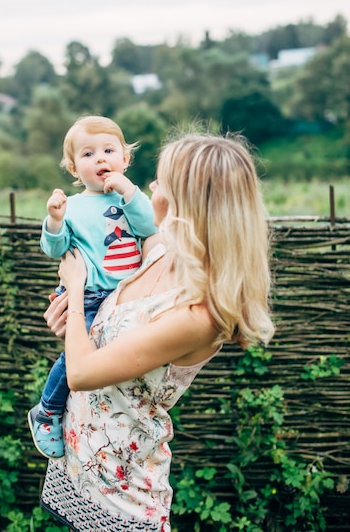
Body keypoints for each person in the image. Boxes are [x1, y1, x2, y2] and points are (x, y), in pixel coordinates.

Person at [39, 132, 275, 532]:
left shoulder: (198, 314)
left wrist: (75, 291)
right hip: (79, 465)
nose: (150, 186)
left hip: (123, 495)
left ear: (189, 200)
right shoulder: (158, 251)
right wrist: (71, 322)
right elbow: (97, 336)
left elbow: (80, 374)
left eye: (161, 182)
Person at [28, 115, 158, 458]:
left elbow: (149, 226)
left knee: (115, 359)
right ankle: (48, 410)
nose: (100, 159)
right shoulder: (73, 207)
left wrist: (128, 189)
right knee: (76, 355)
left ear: (125, 160)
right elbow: (55, 250)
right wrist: (55, 221)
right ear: (73, 169)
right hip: (86, 295)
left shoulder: (131, 199)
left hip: (125, 297)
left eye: (108, 150)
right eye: (88, 154)